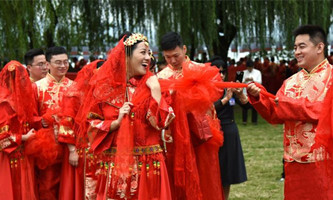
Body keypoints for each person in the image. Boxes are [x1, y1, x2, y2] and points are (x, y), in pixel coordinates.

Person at [83, 33, 175, 199]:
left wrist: (155, 91)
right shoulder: (104, 89)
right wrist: (115, 123)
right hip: (115, 165)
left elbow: (162, 122)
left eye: (149, 53)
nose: (148, 57)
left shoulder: (153, 86)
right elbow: (90, 125)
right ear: (126, 55)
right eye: (142, 52)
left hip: (148, 165)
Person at [246, 25, 333, 199]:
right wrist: (259, 97)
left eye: (302, 46)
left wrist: (289, 104)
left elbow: (324, 111)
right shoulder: (291, 82)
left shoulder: (330, 78)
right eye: (295, 47)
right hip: (293, 162)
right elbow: (276, 114)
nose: (297, 52)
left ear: (319, 47)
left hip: (324, 161)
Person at [158, 32, 224, 200]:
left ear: (184, 49)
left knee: (206, 177)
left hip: (201, 136)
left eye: (176, 56)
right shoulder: (160, 77)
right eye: (167, 57)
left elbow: (216, 93)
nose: (172, 61)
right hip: (176, 138)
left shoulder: (201, 70)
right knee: (179, 180)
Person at [34, 46, 74, 200]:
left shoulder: (74, 87)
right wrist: (41, 121)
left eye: (65, 62)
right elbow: (30, 117)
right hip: (46, 146)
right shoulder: (37, 87)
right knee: (47, 184)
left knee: (69, 184)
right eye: (58, 62)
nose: (63, 66)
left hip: (70, 145)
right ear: (48, 65)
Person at [0, 61, 38, 199]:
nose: (23, 82)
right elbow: (2, 137)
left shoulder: (18, 99)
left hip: (22, 154)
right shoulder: (4, 103)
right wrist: (23, 138)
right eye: (20, 79)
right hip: (8, 156)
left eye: (24, 79)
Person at [212, 58, 247, 200]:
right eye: (217, 72)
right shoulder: (207, 90)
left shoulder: (229, 88)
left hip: (230, 130)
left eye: (223, 72)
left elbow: (246, 105)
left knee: (227, 172)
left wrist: (240, 93)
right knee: (215, 170)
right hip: (214, 131)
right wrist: (225, 100)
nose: (220, 75)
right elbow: (208, 108)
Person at [241, 59, 262, 125]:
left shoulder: (257, 72)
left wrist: (253, 80)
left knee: (255, 107)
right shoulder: (243, 72)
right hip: (245, 91)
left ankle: (254, 121)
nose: (250, 69)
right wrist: (245, 80)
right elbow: (239, 82)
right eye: (248, 68)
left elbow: (260, 82)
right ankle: (244, 121)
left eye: (251, 67)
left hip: (254, 91)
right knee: (244, 106)